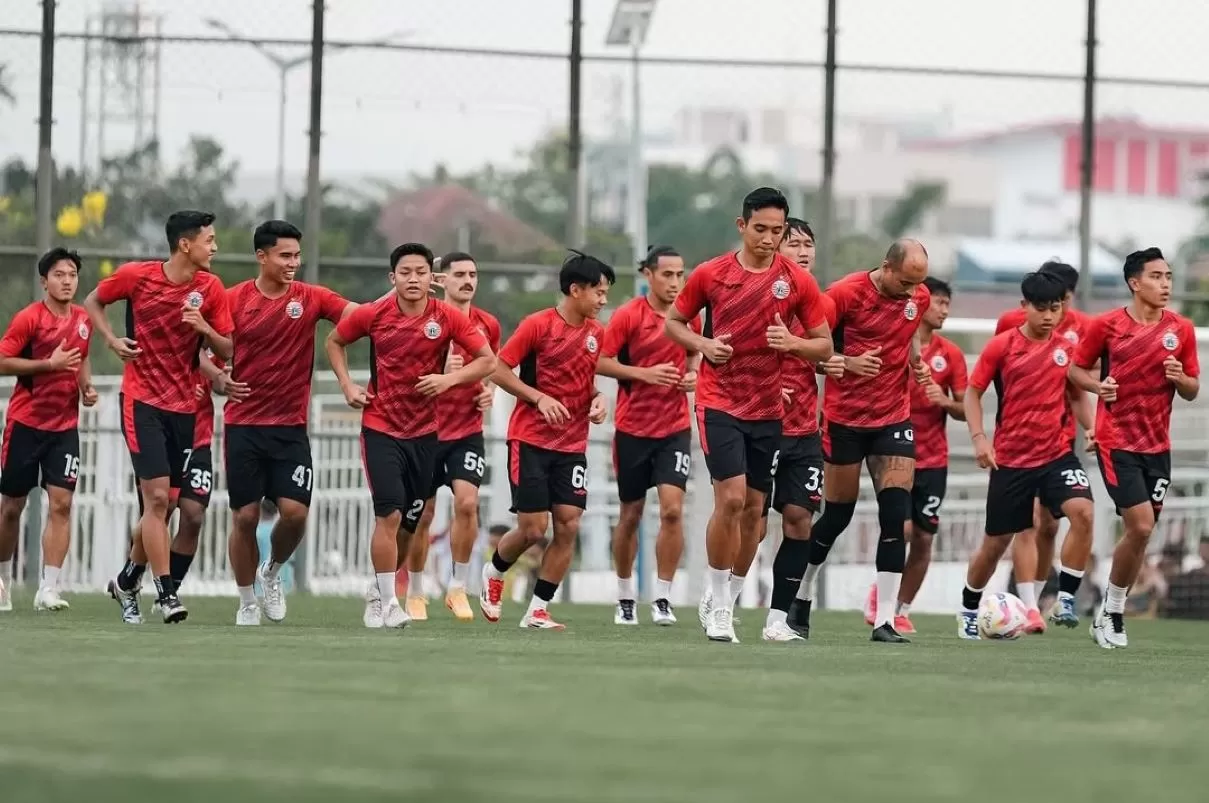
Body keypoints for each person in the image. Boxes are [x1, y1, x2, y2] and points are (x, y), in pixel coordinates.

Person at [665, 188, 832, 644]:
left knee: (756, 514)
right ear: (742, 226)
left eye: (778, 231)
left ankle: (729, 597)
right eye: (761, 229)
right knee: (733, 500)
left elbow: (824, 344)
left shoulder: (796, 281)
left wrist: (793, 345)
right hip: (719, 400)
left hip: (767, 408)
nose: (769, 239)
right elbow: (674, 323)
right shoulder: (711, 274)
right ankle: (719, 603)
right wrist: (703, 345)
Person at [328, 242, 493, 629]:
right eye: (406, 272)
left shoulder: (448, 318)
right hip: (381, 428)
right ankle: (388, 603)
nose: (413, 279)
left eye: (420, 272)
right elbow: (334, 341)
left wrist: (449, 379)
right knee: (389, 513)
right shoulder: (373, 314)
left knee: (410, 523)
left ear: (430, 278)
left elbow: (488, 360)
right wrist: (347, 385)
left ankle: (377, 589)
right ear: (393, 278)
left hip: (425, 434)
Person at [86, 211, 234, 624]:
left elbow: (229, 349)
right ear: (185, 244)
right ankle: (167, 594)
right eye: (210, 240)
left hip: (186, 411)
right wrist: (113, 339)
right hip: (142, 403)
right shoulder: (137, 277)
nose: (215, 247)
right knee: (155, 501)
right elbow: (93, 300)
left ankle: (128, 580)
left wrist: (204, 327)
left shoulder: (211, 288)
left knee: (176, 510)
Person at [790, 239, 930, 643]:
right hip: (845, 419)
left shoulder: (916, 297)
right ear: (886, 266)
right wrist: (848, 363)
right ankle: (802, 594)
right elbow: (809, 350)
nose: (910, 292)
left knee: (895, 516)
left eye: (916, 285)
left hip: (893, 419)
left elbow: (910, 334)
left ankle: (885, 620)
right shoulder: (844, 295)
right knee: (836, 516)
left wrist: (916, 360)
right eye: (904, 282)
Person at [221, 220, 354, 625]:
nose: (293, 263)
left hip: (290, 427)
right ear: (262, 257)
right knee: (244, 517)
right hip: (243, 425)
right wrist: (215, 378)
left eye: (297, 255)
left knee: (295, 513)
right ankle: (246, 602)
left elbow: (358, 315)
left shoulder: (311, 298)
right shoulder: (231, 300)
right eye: (285, 255)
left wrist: (404, 292)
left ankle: (273, 572)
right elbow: (203, 347)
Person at [1069, 247, 1199, 648]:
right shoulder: (1107, 326)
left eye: (1168, 277)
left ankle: (1110, 611)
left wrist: (1180, 378)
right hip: (1116, 441)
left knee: (1142, 535)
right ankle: (1113, 610)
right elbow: (1074, 369)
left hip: (1157, 447)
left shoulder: (1182, 329)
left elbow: (1193, 390)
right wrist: (1097, 386)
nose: (1165, 284)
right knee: (1140, 525)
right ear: (1134, 283)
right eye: (1157, 277)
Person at [957, 270, 1096, 640]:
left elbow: (1079, 394)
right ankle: (969, 606)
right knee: (996, 544)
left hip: (1056, 455)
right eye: (1041, 309)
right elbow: (973, 392)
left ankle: (1066, 598)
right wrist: (979, 438)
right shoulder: (1002, 346)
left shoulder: (1068, 350)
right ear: (1024, 307)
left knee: (1083, 512)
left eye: (1055, 308)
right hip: (1012, 460)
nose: (1049, 316)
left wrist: (1091, 427)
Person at [479, 251, 614, 630]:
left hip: (572, 445)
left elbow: (586, 379)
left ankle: (537, 609)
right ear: (576, 290)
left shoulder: (595, 334)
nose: (603, 301)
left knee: (569, 525)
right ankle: (493, 571)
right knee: (534, 530)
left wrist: (598, 398)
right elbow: (498, 369)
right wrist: (537, 397)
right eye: (599, 293)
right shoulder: (537, 326)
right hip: (530, 440)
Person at [597, 245, 699, 626]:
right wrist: (645, 374)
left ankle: (662, 598)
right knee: (631, 514)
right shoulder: (628, 316)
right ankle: (625, 597)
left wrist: (693, 375)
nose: (675, 282)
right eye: (667, 274)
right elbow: (602, 361)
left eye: (680, 275)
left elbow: (694, 355)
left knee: (673, 510)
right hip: (632, 430)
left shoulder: (689, 317)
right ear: (648, 275)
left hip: (674, 428)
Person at [862, 276, 966, 635]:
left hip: (934, 460)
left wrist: (946, 401)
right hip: (893, 450)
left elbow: (967, 408)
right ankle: (883, 596)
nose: (944, 311)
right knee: (901, 528)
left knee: (923, 537)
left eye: (947, 305)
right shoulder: (895, 343)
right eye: (939, 303)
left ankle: (901, 608)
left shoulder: (951, 355)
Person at [995, 260, 1094, 632]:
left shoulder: (1081, 329)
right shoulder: (1009, 324)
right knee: (1026, 524)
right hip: (1017, 443)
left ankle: (1042, 598)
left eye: (1063, 301)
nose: (1058, 309)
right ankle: (1026, 605)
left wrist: (1093, 427)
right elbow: (1000, 375)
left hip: (1060, 441)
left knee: (1053, 525)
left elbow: (1079, 385)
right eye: (1051, 302)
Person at [403, 251, 501, 623]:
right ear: (442, 281)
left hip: (466, 431)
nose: (468, 280)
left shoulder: (487, 324)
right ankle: (414, 590)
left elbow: (491, 365)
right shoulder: (424, 321)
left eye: (473, 274)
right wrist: (441, 371)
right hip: (426, 431)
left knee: (467, 504)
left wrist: (487, 390)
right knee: (423, 513)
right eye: (459, 274)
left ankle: (458, 588)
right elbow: (404, 375)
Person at [0, 248, 97, 612]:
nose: (67, 280)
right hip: (26, 424)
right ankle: (3, 582)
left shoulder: (84, 320)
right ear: (44, 280)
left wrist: (85, 387)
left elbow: (82, 356)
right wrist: (48, 363)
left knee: (62, 504)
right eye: (59, 274)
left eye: (72, 274)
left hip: (64, 428)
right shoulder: (30, 319)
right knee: (12, 507)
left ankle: (49, 588)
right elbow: (3, 360)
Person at [760, 218, 840, 642]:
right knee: (750, 526)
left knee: (799, 521)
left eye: (809, 244)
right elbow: (727, 356)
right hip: (757, 425)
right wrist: (768, 389)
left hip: (805, 429)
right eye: (794, 244)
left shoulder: (819, 303)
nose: (804, 251)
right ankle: (722, 599)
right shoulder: (754, 293)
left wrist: (833, 363)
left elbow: (821, 352)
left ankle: (779, 619)